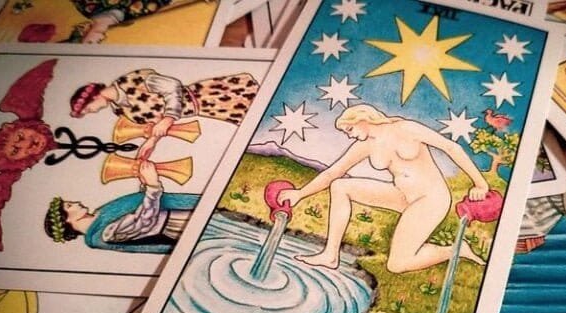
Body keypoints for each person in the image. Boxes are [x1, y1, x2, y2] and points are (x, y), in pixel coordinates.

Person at [277, 104, 490, 273]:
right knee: (340, 186)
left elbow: (451, 147)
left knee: (396, 265)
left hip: (431, 199)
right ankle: (330, 255)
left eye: (350, 129)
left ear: (363, 119)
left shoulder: (406, 128)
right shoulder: (366, 145)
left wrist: (480, 183)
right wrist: (300, 193)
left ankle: (454, 250)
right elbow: (333, 172)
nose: (349, 135)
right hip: (402, 196)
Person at [69, 68, 258, 159]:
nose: (93, 111)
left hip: (208, 95)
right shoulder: (120, 109)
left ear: (93, 97)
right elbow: (156, 122)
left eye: (89, 109)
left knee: (256, 104)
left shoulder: (132, 81)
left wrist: (168, 119)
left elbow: (172, 86)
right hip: (204, 110)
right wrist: (151, 141)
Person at [44, 159, 197, 253]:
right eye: (70, 206)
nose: (76, 203)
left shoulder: (99, 214)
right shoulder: (105, 234)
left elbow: (134, 208)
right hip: (175, 224)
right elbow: (143, 221)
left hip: (172, 216)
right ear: (67, 220)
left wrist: (145, 185)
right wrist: (152, 185)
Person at [67, 1, 215, 44]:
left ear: (85, 31)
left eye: (90, 41)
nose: (98, 41)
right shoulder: (132, 16)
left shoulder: (87, 6)